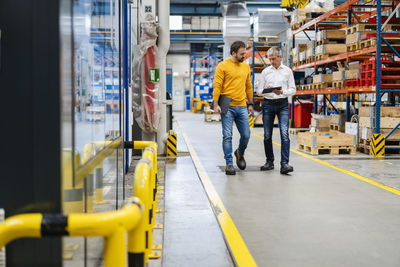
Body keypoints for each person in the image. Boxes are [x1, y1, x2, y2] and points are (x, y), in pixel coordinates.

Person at [213, 41, 253, 175]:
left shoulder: (246, 67)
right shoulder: (223, 66)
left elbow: (248, 86)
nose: (244, 56)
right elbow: (217, 85)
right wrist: (215, 104)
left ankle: (239, 153)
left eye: (245, 54)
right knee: (227, 136)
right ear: (233, 53)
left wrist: (251, 103)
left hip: (242, 105)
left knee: (246, 135)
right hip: (227, 106)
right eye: (242, 54)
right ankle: (229, 163)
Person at [257, 47, 296, 174]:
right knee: (267, 135)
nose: (272, 61)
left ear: (280, 57)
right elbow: (258, 91)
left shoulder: (287, 71)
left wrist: (282, 92)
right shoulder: (265, 72)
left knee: (284, 134)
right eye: (270, 59)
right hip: (268, 104)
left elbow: (293, 89)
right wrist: (267, 90)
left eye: (274, 59)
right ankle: (269, 161)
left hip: (283, 104)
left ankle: (285, 164)